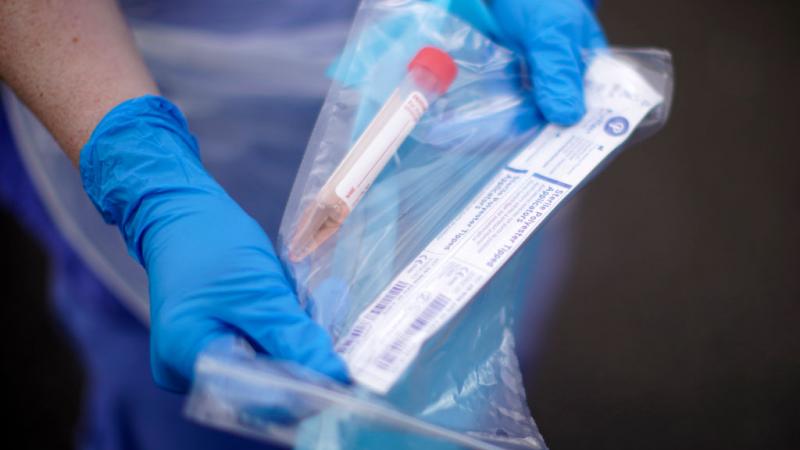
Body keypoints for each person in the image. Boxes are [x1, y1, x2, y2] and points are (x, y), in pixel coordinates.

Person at [0, 0, 604, 448]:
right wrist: (149, 180)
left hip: (459, 61)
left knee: (443, 356)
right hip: (137, 74)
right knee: (218, 397)